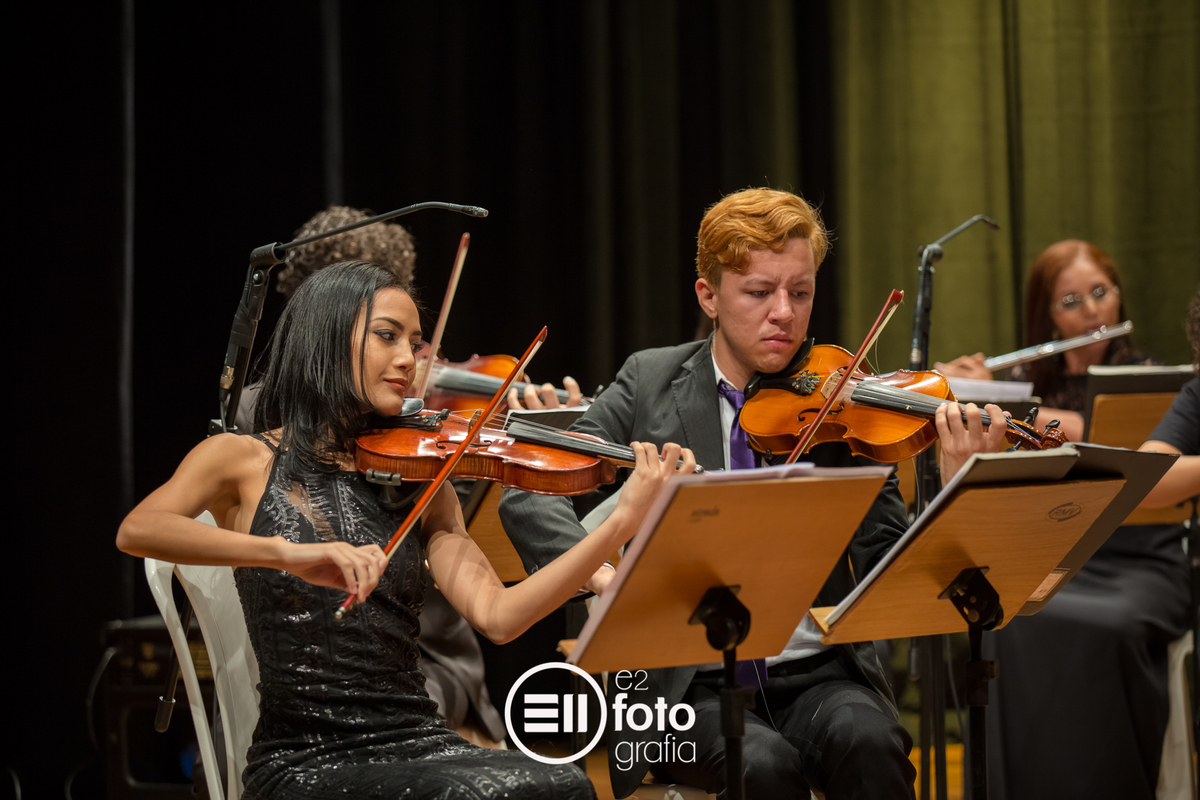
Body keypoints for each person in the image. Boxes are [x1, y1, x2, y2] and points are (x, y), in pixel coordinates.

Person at [117, 261, 697, 800]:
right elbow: (139, 529)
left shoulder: (422, 479)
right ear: (327, 337)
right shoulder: (240, 460)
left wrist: (619, 523)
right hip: (304, 759)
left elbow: (499, 617)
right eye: (387, 336)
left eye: (414, 343)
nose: (409, 359)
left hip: (418, 736)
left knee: (565, 784)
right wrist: (283, 554)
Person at [499, 188, 1005, 800]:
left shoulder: (841, 400)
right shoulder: (648, 382)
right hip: (683, 687)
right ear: (708, 296)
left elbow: (891, 568)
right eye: (760, 293)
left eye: (801, 291)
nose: (785, 314)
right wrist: (608, 577)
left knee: (871, 745)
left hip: (815, 671)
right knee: (761, 768)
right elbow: (529, 493)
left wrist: (957, 484)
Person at [940, 242, 1190, 800]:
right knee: (1010, 619)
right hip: (1059, 552)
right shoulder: (1028, 384)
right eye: (1071, 301)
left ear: (1118, 293)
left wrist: (1026, 414)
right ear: (1048, 316)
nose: (1091, 312)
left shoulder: (1151, 378)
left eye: (1100, 293)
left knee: (1113, 628)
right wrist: (967, 393)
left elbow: (1124, 455)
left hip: (1143, 561)